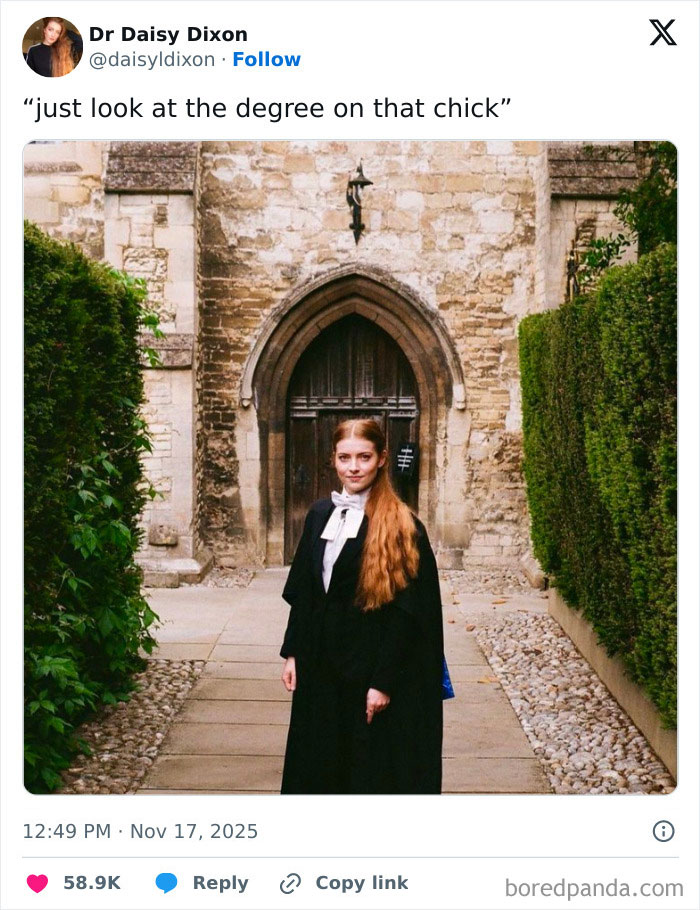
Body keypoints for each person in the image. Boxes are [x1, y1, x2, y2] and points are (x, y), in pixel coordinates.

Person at [280, 418, 444, 793]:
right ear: (333, 460)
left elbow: (406, 615)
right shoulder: (320, 514)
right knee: (319, 764)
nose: (353, 467)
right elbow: (305, 593)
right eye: (344, 457)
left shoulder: (403, 526)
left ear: (382, 459)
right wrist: (293, 652)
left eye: (364, 457)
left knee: (365, 771)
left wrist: (383, 683)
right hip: (321, 666)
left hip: (366, 669)